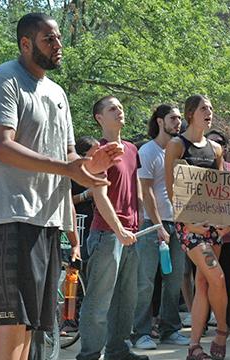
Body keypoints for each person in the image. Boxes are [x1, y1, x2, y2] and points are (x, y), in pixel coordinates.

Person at [0, 13, 122, 360]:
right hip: (11, 215)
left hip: (48, 220)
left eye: (58, 39)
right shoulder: (3, 80)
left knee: (31, 325)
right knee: (10, 322)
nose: (58, 46)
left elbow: (69, 156)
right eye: (48, 39)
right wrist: (67, 167)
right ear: (25, 44)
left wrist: (92, 166)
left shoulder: (57, 92)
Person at [77, 95, 147, 360]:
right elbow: (99, 194)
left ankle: (119, 350)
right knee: (99, 301)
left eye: (120, 107)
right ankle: (89, 354)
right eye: (112, 108)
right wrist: (118, 228)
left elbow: (136, 186)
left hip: (132, 233)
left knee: (126, 300)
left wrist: (146, 219)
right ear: (99, 118)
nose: (119, 111)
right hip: (107, 234)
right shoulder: (99, 152)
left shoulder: (131, 149)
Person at [165, 95, 230, 360]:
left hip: (214, 225)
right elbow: (171, 190)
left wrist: (225, 223)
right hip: (189, 226)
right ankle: (223, 331)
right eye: (204, 108)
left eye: (212, 108)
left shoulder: (215, 149)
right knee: (217, 276)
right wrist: (189, 222)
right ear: (191, 112)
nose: (209, 112)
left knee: (203, 283)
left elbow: (223, 188)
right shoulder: (176, 145)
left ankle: (194, 346)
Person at [133, 104, 189, 349]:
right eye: (173, 118)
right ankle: (140, 332)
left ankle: (170, 329)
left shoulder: (179, 151)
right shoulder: (147, 151)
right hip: (151, 224)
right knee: (145, 281)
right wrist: (158, 226)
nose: (178, 123)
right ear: (159, 121)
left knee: (175, 280)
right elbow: (146, 192)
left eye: (179, 118)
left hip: (178, 223)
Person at [206, 129, 230, 335]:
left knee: (228, 280)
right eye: (210, 143)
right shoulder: (199, 170)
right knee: (203, 281)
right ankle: (201, 322)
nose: (214, 146)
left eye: (219, 143)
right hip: (202, 235)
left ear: (226, 148)